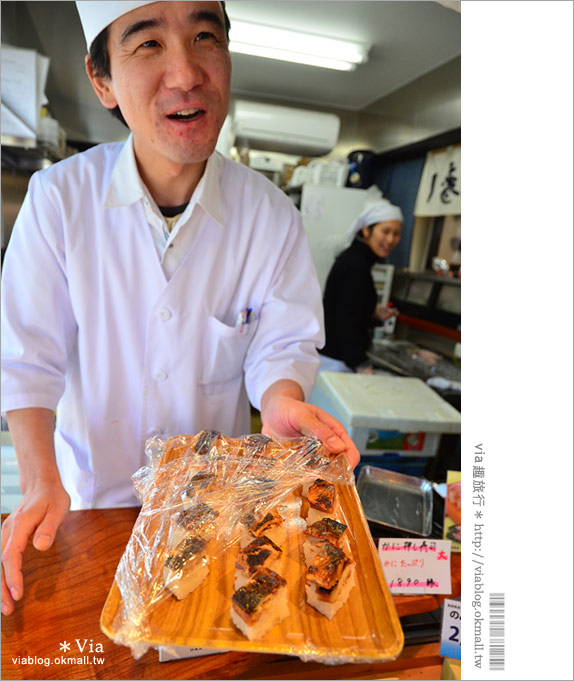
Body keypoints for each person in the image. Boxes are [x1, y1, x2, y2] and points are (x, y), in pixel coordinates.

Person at [0, 1, 359, 617]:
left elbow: (281, 346)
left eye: (204, 36)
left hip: (213, 523)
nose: (187, 72)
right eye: (147, 44)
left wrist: (280, 401)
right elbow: (27, 358)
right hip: (87, 511)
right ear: (102, 81)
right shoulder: (58, 200)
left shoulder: (270, 216)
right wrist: (38, 479)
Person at [319, 199, 403, 373]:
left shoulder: (357, 259)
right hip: (336, 361)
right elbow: (346, 319)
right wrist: (361, 363)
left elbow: (347, 305)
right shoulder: (356, 265)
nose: (390, 239)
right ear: (367, 230)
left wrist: (372, 311)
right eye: (385, 231)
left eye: (396, 234)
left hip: (335, 356)